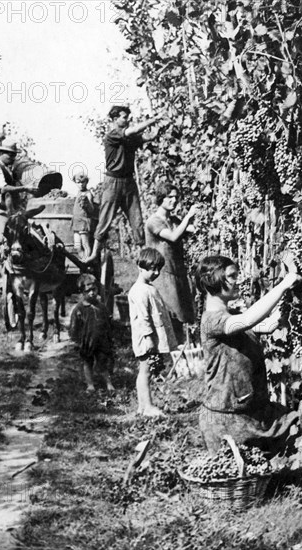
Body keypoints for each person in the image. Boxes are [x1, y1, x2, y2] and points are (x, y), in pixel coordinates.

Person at [195, 254, 302, 456]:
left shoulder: (230, 317)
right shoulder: (212, 321)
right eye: (232, 276)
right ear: (213, 280)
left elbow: (269, 324)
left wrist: (289, 299)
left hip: (253, 412)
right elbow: (248, 320)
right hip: (227, 420)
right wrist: (283, 285)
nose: (239, 280)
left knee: (296, 424)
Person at [85, 105, 164, 263]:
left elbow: (147, 137)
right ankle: (94, 254)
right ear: (115, 120)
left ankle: (145, 257)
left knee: (137, 219)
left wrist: (160, 127)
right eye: (124, 117)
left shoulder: (129, 137)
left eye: (128, 117)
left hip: (128, 182)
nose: (128, 120)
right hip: (113, 182)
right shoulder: (112, 135)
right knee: (105, 219)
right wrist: (153, 119)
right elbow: (133, 131)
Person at [145, 182, 198, 343]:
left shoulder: (174, 219)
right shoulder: (154, 221)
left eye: (176, 197)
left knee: (185, 316)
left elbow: (189, 230)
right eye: (170, 197)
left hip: (178, 273)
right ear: (161, 198)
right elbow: (174, 236)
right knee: (172, 316)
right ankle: (172, 355)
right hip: (162, 275)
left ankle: (183, 354)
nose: (174, 200)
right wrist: (188, 217)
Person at [128, 247, 177, 417]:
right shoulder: (140, 291)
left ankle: (142, 406)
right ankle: (147, 406)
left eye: (158, 269)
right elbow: (143, 319)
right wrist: (148, 338)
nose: (156, 273)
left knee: (146, 370)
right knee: (145, 371)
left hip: (150, 337)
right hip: (146, 337)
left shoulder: (147, 288)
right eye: (152, 269)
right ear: (141, 268)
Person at [0, 138, 37, 290]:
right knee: (0, 246)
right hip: (0, 211)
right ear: (1, 153)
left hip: (11, 212)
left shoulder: (8, 169)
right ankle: (1, 283)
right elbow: (2, 189)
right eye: (10, 155)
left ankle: (17, 278)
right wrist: (25, 189)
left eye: (14, 155)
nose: (13, 158)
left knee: (18, 242)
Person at [69, 273, 115, 393]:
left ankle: (109, 383)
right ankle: (90, 384)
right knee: (87, 362)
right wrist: (76, 340)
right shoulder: (79, 309)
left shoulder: (102, 307)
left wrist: (110, 337)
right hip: (87, 341)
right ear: (82, 292)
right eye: (87, 291)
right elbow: (74, 326)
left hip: (101, 341)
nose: (92, 293)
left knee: (103, 362)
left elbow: (108, 323)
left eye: (94, 290)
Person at [71, 171, 96, 260]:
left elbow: (91, 209)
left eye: (83, 182)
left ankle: (87, 260)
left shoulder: (88, 194)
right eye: (78, 182)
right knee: (77, 246)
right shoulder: (78, 193)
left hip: (83, 222)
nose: (81, 184)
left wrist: (86, 203)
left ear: (86, 182)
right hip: (76, 222)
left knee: (85, 244)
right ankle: (83, 261)